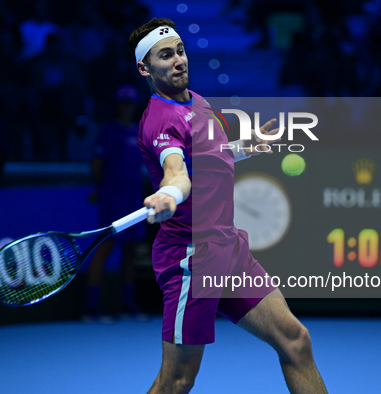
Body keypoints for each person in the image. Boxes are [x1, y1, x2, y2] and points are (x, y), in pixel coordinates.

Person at [130, 18, 328, 393]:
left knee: (295, 341)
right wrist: (170, 193)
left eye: (180, 51)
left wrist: (244, 147)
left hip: (227, 249)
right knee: (177, 380)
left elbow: (207, 158)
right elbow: (178, 172)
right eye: (165, 55)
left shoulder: (198, 103)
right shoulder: (160, 121)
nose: (178, 61)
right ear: (145, 68)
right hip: (191, 258)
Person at [83, 84, 148, 322]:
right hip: (113, 196)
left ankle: (127, 304)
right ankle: (91, 306)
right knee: (106, 247)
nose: (126, 107)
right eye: (122, 103)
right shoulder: (108, 131)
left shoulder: (138, 132)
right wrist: (101, 189)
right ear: (117, 105)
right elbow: (97, 164)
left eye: (129, 103)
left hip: (133, 197)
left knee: (130, 250)